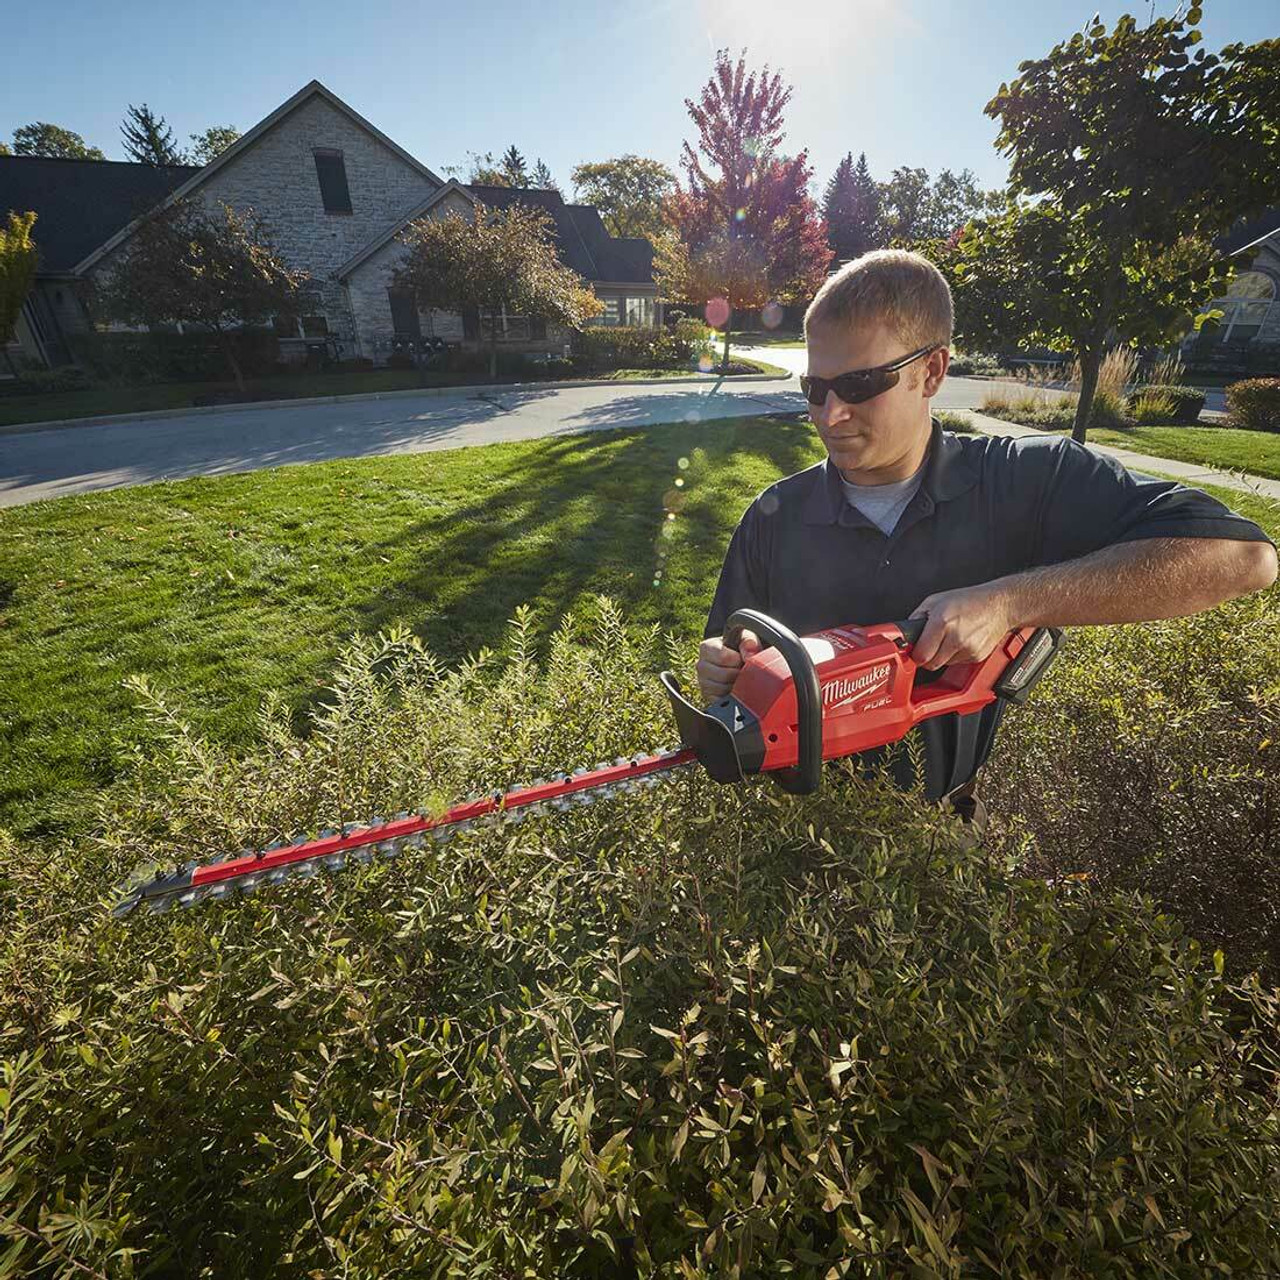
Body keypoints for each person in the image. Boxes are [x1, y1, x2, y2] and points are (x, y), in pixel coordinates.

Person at [697, 250, 1277, 829]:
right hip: (794, 830)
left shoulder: (1026, 480)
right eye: (815, 388)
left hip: (946, 831)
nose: (831, 414)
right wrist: (726, 675)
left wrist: (1007, 602)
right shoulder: (773, 517)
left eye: (859, 383)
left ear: (932, 371)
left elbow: (1245, 558)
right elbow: (731, 661)